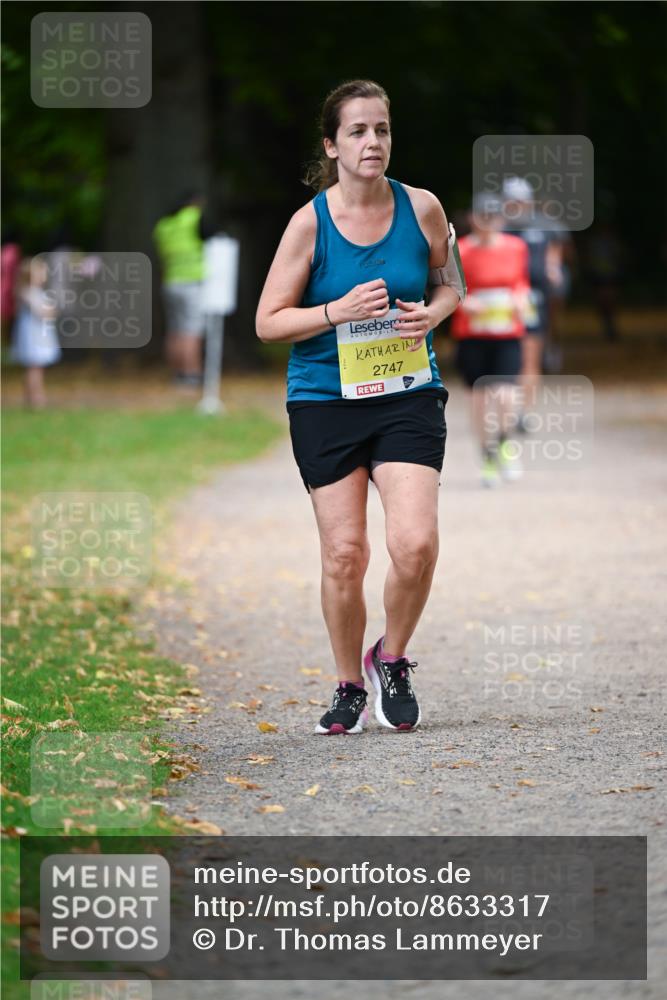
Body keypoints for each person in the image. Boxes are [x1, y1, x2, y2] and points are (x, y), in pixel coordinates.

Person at [256, 79, 465, 735]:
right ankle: (349, 682)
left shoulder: (422, 207)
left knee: (415, 543)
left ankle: (391, 657)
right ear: (332, 144)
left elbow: (450, 282)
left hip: (405, 394)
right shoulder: (308, 223)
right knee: (344, 554)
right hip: (325, 399)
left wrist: (430, 313)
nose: (371, 141)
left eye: (380, 130)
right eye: (356, 131)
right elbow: (267, 321)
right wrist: (334, 312)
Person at [451, 194, 530, 487]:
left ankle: (507, 444)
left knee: (507, 395)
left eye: (493, 216)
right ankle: (486, 456)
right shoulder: (460, 250)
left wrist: (521, 298)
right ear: (473, 218)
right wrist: (464, 302)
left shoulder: (516, 247)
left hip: (507, 333)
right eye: (483, 215)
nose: (488, 221)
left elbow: (521, 282)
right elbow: (450, 288)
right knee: (480, 402)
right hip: (473, 336)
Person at [502, 176, 565, 416]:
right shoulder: (498, 228)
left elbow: (554, 256)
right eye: (511, 202)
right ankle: (504, 407)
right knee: (507, 356)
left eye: (520, 202)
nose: (516, 207)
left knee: (529, 356)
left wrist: (553, 269)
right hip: (503, 301)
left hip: (533, 298)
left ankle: (523, 412)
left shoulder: (544, 226)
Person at [153, 192, 214, 386]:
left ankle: (178, 373)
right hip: (193, 281)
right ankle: (192, 374)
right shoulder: (194, 218)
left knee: (175, 330)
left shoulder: (164, 226)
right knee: (192, 330)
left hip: (171, 281)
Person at [10, 256, 61, 408]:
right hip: (33, 336)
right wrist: (51, 310)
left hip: (39, 334)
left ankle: (32, 398)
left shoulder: (37, 292)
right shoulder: (27, 292)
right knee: (34, 368)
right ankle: (36, 398)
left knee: (37, 368)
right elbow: (42, 312)